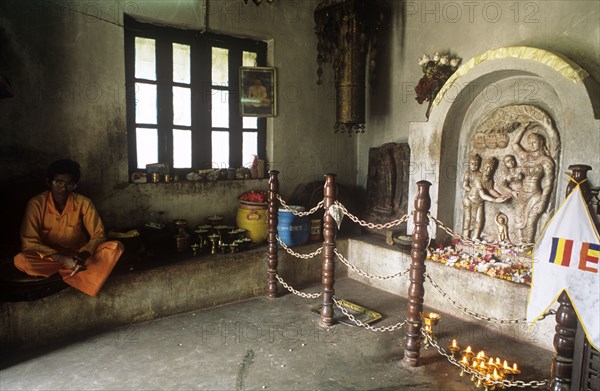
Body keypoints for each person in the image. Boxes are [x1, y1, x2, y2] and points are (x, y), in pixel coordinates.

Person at [13, 159, 123, 297]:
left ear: (75, 185)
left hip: (79, 254)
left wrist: (83, 256)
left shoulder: (84, 203)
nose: (63, 188)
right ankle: (77, 272)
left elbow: (98, 235)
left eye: (69, 184)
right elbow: (29, 242)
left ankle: (75, 267)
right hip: (50, 257)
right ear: (48, 182)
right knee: (21, 260)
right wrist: (62, 258)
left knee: (115, 247)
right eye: (58, 182)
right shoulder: (36, 204)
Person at [511, 122, 555, 244]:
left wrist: (543, 200)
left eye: (534, 141)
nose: (531, 144)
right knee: (518, 220)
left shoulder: (545, 160)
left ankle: (529, 246)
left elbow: (549, 182)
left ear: (541, 142)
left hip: (535, 194)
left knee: (531, 222)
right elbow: (514, 144)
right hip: (522, 194)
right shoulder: (525, 156)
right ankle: (520, 245)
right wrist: (523, 127)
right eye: (529, 142)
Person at [462, 155, 509, 240]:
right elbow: (482, 194)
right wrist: (495, 200)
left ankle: (475, 238)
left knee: (479, 220)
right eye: (487, 168)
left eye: (491, 169)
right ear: (483, 167)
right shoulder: (477, 179)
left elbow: (491, 190)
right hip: (469, 200)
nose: (488, 170)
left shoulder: (489, 180)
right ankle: (465, 237)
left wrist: (501, 196)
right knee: (468, 219)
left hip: (479, 202)